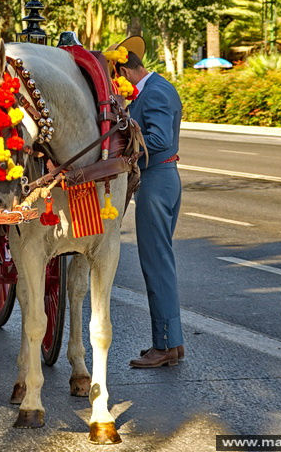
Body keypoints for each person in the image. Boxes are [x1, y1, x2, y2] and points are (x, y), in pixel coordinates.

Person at [110, 37, 185, 368]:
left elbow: (158, 139)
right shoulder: (159, 87)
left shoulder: (154, 92)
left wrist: (123, 141)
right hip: (161, 180)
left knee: (156, 265)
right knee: (161, 263)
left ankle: (165, 345)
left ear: (126, 70)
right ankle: (173, 343)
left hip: (156, 181)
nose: (119, 86)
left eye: (118, 78)